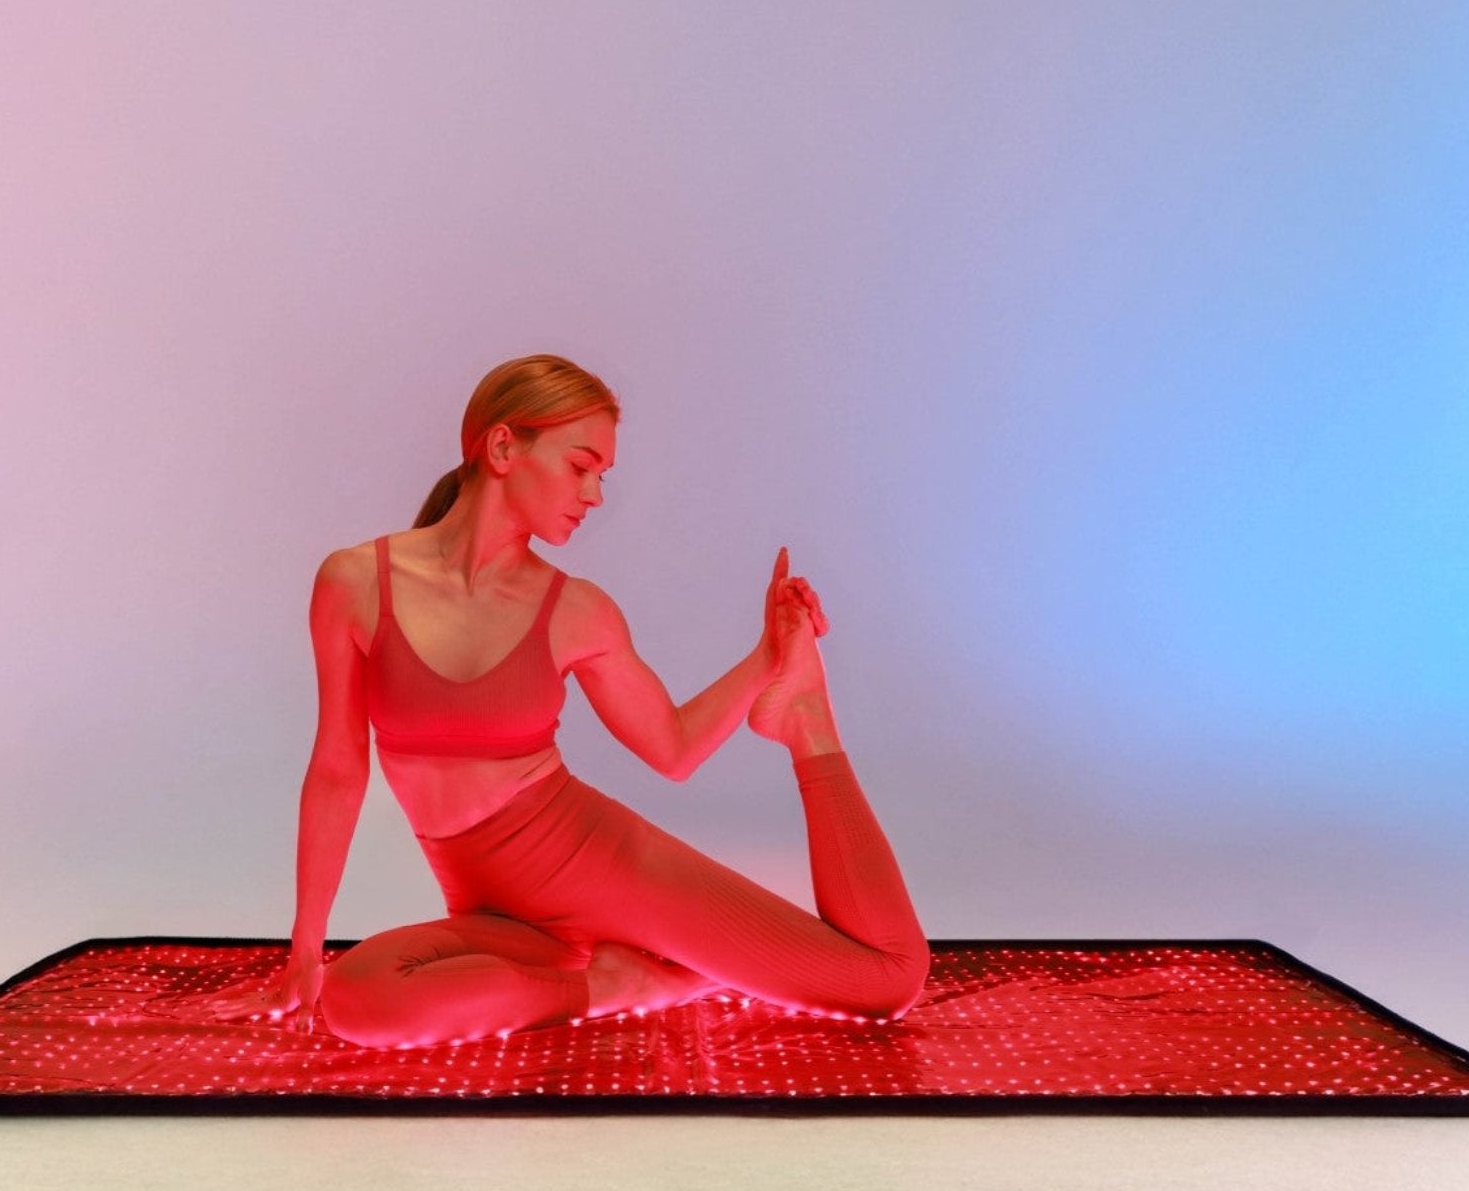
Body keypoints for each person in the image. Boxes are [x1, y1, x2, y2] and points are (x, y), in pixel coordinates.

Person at [202, 354, 929, 1048]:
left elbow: (672, 751)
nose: (595, 496)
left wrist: (770, 659)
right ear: (503, 446)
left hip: (604, 868)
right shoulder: (355, 583)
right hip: (498, 913)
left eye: (602, 476)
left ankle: (804, 720)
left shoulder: (577, 611)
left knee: (886, 979)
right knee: (357, 999)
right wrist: (304, 950)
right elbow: (337, 769)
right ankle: (615, 985)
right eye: (582, 467)